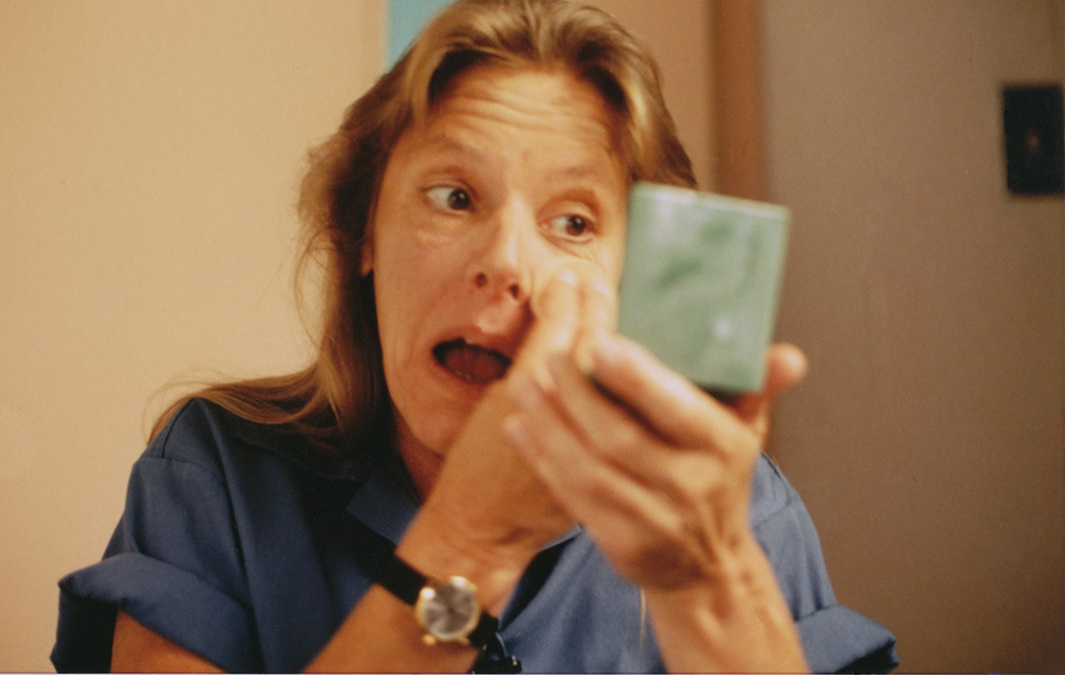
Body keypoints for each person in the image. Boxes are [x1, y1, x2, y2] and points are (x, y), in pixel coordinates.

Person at [51, 0, 898, 672]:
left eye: (571, 220)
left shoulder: (737, 511)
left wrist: (706, 583)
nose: (505, 264)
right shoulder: (217, 475)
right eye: (454, 197)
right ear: (364, 238)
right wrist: (468, 546)